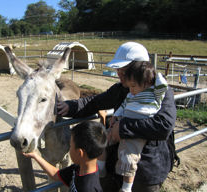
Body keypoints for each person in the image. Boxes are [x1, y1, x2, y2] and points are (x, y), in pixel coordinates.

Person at [57, 42, 177, 192]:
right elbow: (96, 101)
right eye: (118, 68)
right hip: (116, 165)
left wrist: (122, 128)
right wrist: (71, 106)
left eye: (123, 69)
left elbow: (164, 126)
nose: (118, 73)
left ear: (139, 69)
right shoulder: (122, 89)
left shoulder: (160, 92)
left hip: (145, 171)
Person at [109, 61, 168, 192]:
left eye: (133, 86)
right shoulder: (131, 94)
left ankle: (126, 188)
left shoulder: (155, 94)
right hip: (125, 126)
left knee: (129, 157)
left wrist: (156, 75)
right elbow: (123, 106)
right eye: (130, 86)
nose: (131, 90)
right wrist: (116, 116)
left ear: (147, 82)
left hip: (136, 133)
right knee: (103, 139)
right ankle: (100, 166)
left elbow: (163, 86)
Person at [23, 120, 108, 192]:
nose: (69, 148)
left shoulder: (89, 188)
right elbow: (56, 174)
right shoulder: (78, 168)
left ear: (79, 153)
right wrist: (36, 156)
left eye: (70, 146)